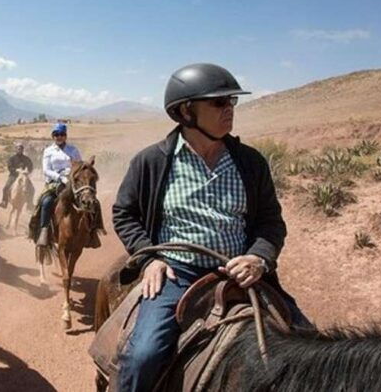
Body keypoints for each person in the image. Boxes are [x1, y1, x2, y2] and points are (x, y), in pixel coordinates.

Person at [112, 63, 310, 391]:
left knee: (311, 343)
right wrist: (149, 259)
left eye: (232, 101)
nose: (229, 109)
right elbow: (124, 213)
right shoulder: (152, 161)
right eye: (219, 103)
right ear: (186, 111)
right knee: (143, 355)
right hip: (178, 274)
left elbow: (270, 222)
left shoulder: (250, 162)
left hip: (241, 275)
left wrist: (258, 258)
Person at [32, 123, 104, 248]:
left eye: (61, 134)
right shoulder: (48, 151)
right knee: (47, 201)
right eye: (56, 135)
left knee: (93, 202)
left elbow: (80, 167)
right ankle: (44, 230)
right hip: (54, 182)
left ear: (65, 136)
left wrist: (72, 177)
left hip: (72, 181)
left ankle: (93, 232)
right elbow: (46, 170)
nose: (59, 137)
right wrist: (60, 177)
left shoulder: (73, 150)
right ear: (53, 136)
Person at [0, 142, 34, 209]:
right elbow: (9, 167)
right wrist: (16, 170)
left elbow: (31, 167)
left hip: (24, 176)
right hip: (14, 176)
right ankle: (4, 201)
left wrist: (27, 171)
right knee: (6, 187)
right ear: (16, 149)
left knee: (32, 188)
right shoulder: (12, 158)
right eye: (18, 148)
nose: (19, 150)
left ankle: (30, 204)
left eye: (21, 149)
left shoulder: (27, 159)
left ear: (23, 150)